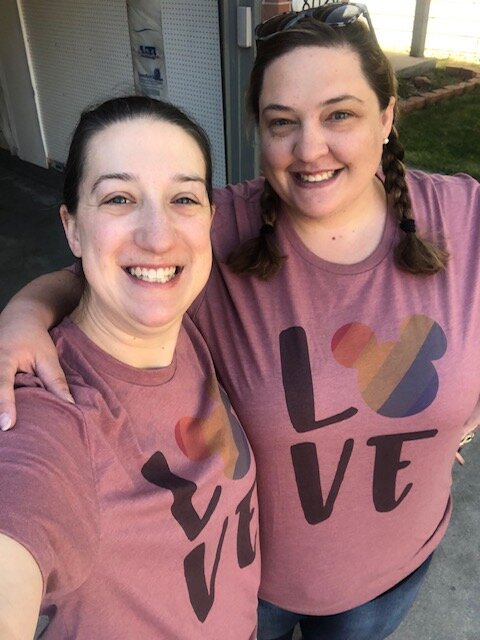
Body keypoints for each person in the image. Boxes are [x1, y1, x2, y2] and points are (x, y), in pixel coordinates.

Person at [0, 3, 478, 639]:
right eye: (282, 123)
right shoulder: (213, 228)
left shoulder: (466, 218)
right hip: (255, 592)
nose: (310, 149)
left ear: (387, 115)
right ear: (257, 131)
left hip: (392, 575)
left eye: (340, 114)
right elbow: (126, 262)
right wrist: (25, 312)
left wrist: (458, 412)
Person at [0, 96, 259, 640]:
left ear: (210, 218)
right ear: (72, 228)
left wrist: (23, 308)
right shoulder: (50, 414)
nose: (157, 235)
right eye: (119, 197)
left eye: (183, 198)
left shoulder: (189, 322)